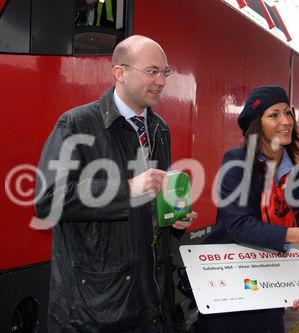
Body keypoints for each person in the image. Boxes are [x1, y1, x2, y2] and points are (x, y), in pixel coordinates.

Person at [35, 35, 196, 332]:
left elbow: (152, 197)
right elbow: (48, 200)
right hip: (94, 310)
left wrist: (173, 219)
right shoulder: (75, 124)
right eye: (152, 71)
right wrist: (127, 189)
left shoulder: (159, 129)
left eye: (166, 72)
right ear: (119, 72)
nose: (161, 81)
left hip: (151, 302)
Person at [195, 86, 299, 333]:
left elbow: (289, 242)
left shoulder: (298, 176)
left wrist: (296, 286)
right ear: (256, 125)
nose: (285, 122)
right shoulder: (237, 162)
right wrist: (297, 234)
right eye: (274, 115)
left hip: (269, 293)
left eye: (288, 113)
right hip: (229, 288)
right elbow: (239, 226)